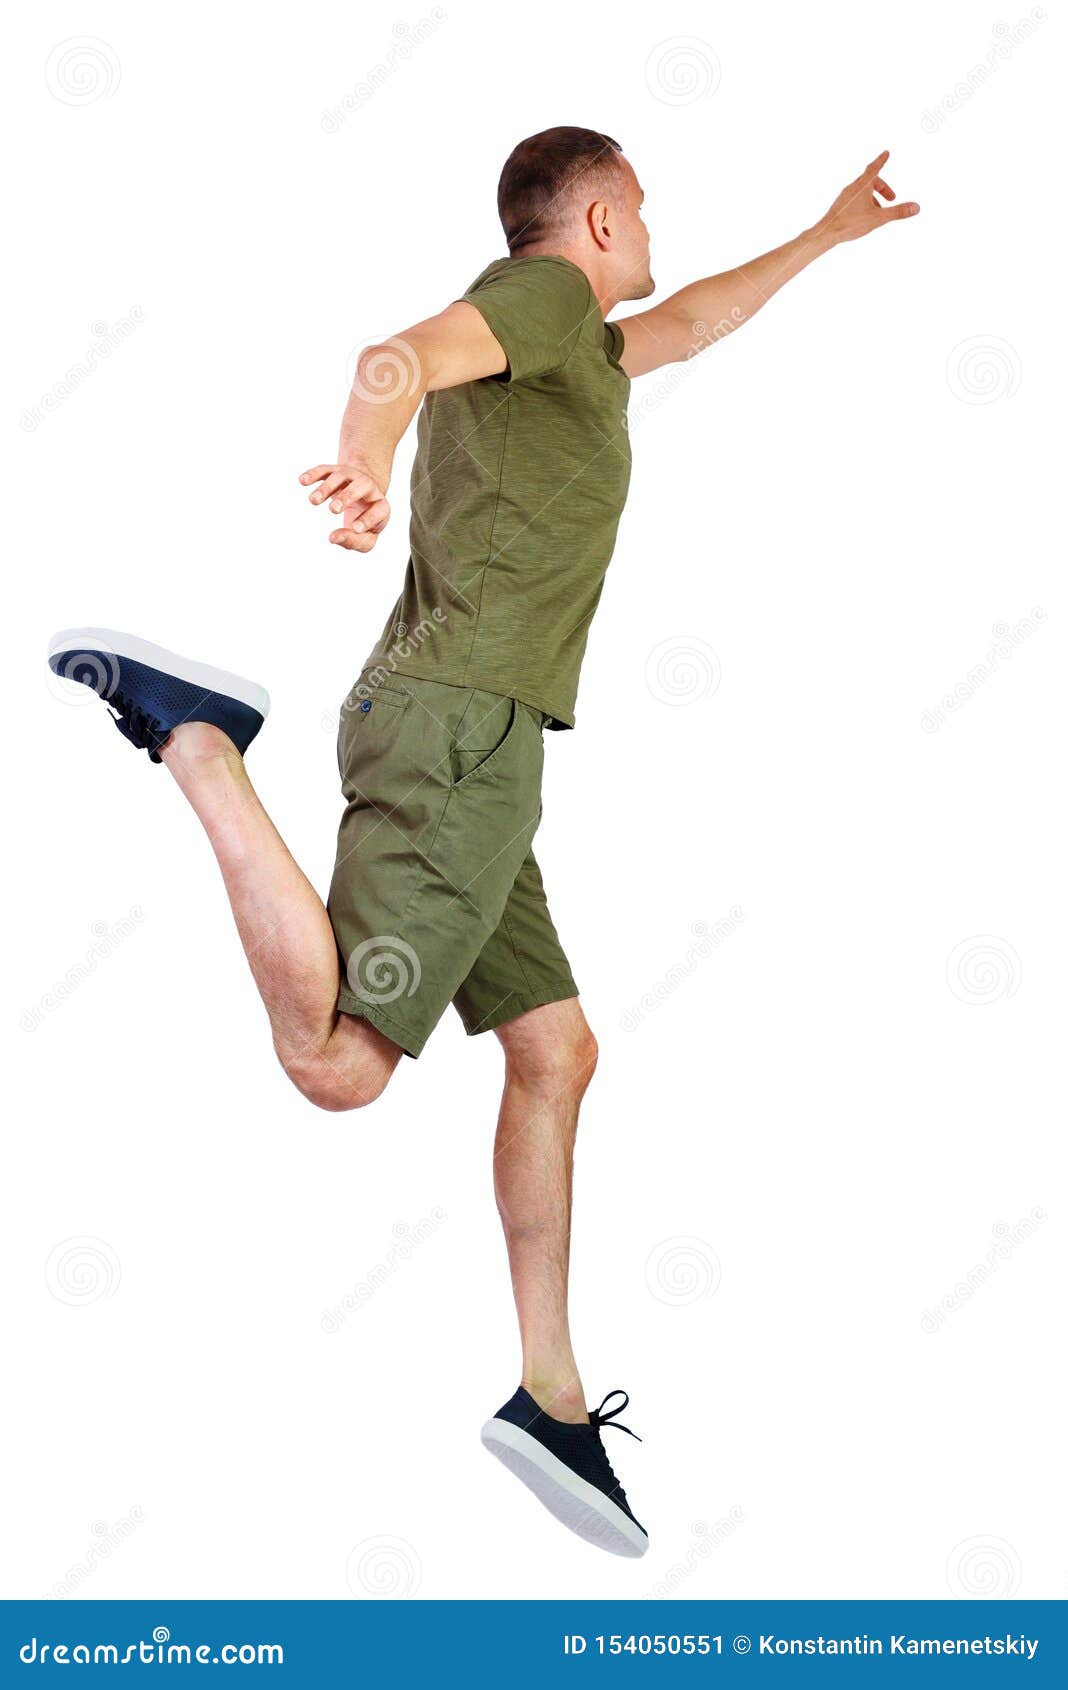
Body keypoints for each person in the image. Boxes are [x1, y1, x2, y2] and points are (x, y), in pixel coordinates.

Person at [48, 127, 918, 1558]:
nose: (654, 232)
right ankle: (193, 737)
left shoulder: (575, 352)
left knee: (556, 1050)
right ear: (596, 220)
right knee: (337, 1064)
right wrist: (361, 464)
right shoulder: (543, 302)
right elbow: (393, 358)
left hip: (476, 742)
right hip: (458, 733)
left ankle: (548, 1394)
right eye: (642, 208)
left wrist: (828, 233)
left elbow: (696, 320)